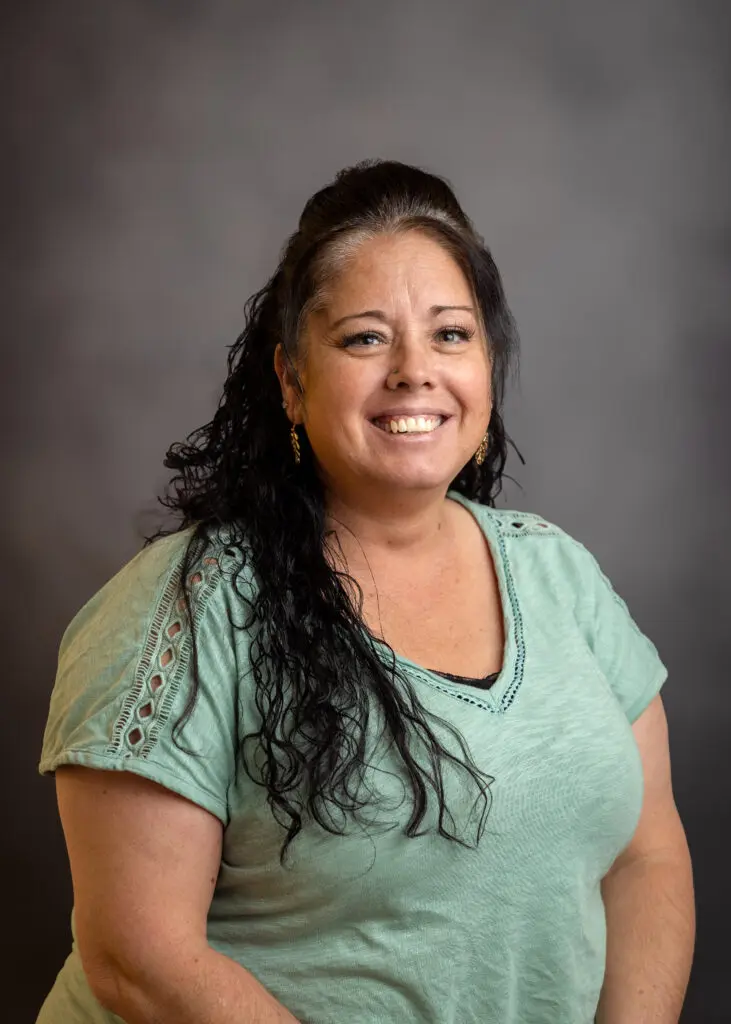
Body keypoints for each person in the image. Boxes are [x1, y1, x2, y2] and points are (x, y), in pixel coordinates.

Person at [37, 159, 694, 1024]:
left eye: (450, 334)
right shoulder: (187, 607)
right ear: (290, 380)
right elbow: (138, 959)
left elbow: (648, 854)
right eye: (364, 339)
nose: (414, 371)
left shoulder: (558, 573)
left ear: (487, 365)